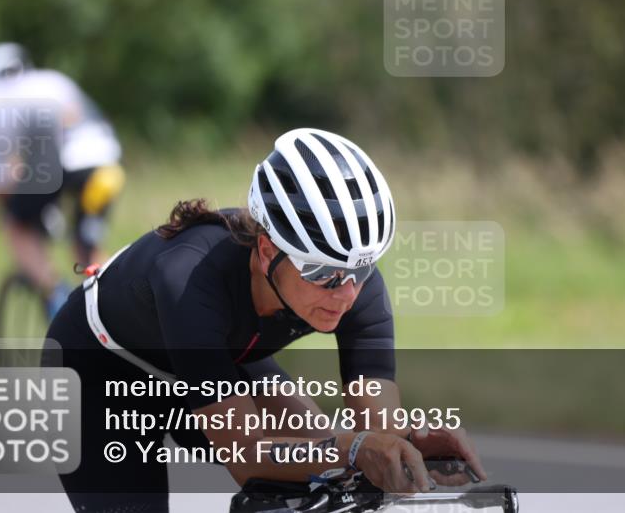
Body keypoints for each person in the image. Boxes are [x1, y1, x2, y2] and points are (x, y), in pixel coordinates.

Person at [43, 128, 486, 513]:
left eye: (361, 270)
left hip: (221, 357)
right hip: (101, 373)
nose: (347, 293)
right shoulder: (189, 278)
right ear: (268, 250)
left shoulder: (354, 283)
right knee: (331, 453)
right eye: (323, 273)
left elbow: (379, 434)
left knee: (336, 467)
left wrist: (410, 444)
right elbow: (248, 457)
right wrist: (354, 448)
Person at [0, 42, 124, 317]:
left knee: (17, 227)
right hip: (108, 165)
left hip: (58, 167)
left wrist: (12, 209)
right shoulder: (53, 80)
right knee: (86, 250)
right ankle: (120, 313)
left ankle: (58, 305)